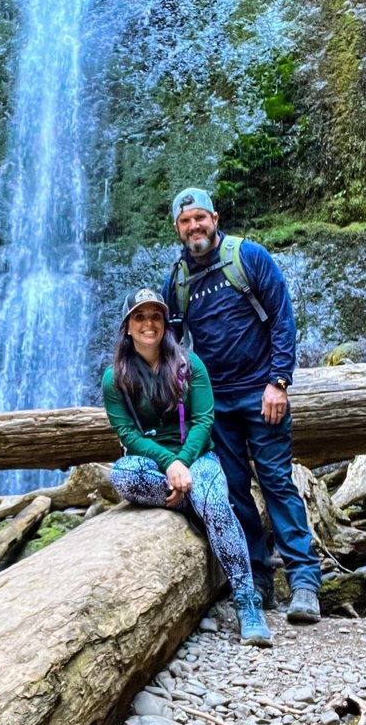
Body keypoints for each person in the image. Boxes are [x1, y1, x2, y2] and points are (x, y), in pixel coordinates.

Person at [163, 187, 322, 623]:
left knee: (276, 481)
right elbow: (170, 347)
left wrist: (279, 381)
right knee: (234, 489)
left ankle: (304, 582)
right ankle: (259, 580)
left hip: (261, 392)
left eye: (200, 218)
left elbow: (282, 318)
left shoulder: (248, 257)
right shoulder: (177, 281)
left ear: (214, 218)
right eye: (185, 221)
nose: (194, 226)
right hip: (215, 403)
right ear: (177, 228)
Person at [102, 287, 272, 647]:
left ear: (165, 323)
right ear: (128, 326)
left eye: (156, 316)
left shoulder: (189, 364)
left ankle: (247, 601)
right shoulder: (115, 378)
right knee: (122, 474)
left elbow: (203, 419)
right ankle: (191, 501)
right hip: (152, 463)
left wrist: (182, 462)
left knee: (217, 505)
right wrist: (169, 464)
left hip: (197, 458)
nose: (149, 324)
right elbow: (127, 433)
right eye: (140, 317)